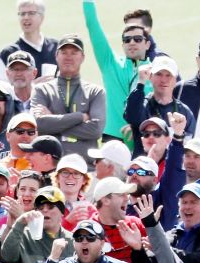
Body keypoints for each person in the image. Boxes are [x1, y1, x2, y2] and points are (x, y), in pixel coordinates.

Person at [82, 1, 152, 146]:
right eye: (127, 40)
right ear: (122, 45)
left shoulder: (158, 71)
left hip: (144, 138)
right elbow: (92, 25)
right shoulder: (109, 63)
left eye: (137, 39)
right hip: (113, 138)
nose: (132, 42)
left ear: (147, 44)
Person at [30, 34, 105, 159]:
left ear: (82, 57)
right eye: (64, 52)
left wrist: (53, 124)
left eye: (74, 52)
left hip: (86, 166)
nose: (68, 57)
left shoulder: (95, 92)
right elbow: (39, 125)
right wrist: (80, 117)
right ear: (56, 56)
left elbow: (96, 130)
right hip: (50, 164)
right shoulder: (42, 90)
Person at [0, 0, 58, 83]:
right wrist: (31, 87)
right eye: (22, 14)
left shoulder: (57, 48)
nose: (26, 17)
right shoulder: (7, 53)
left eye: (31, 13)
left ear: (42, 17)